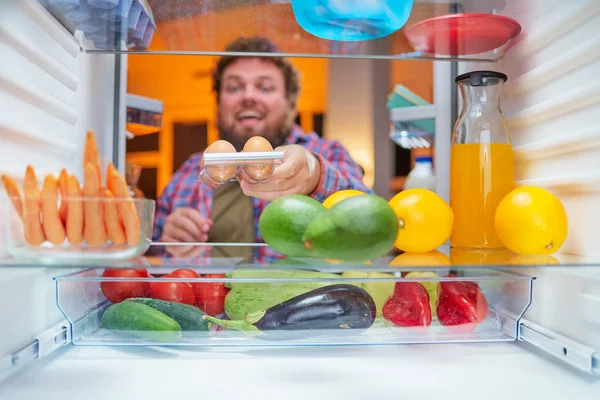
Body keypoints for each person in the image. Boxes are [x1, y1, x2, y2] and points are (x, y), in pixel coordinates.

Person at [151, 36, 372, 262]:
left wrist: (314, 175)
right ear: (219, 102)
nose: (248, 96)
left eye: (265, 87)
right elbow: (151, 250)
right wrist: (170, 240)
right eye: (234, 87)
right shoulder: (190, 170)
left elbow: (371, 220)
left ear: (289, 101)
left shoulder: (328, 152)